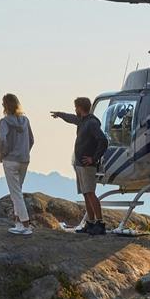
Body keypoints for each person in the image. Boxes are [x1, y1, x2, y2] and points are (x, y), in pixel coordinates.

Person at [51, 97, 108, 235]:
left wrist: (93, 158)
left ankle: (100, 224)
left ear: (80, 108)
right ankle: (91, 223)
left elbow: (103, 141)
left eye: (76, 107)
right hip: (80, 164)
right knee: (86, 193)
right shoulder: (83, 121)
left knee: (90, 193)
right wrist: (59, 114)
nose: (75, 110)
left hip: (87, 165)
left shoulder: (91, 123)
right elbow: (71, 118)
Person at [0, 93, 35, 235]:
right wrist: (25, 151)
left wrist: (3, 154)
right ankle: (18, 222)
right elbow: (31, 139)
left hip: (11, 160)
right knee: (18, 190)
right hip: (24, 159)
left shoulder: (5, 121)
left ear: (5, 106)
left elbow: (2, 139)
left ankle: (25, 225)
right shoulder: (25, 120)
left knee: (16, 193)